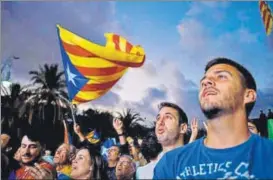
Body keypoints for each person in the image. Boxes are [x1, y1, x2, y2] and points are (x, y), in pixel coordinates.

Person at [154, 57, 273, 179]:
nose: (206, 83)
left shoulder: (269, 155)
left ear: (248, 95)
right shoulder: (170, 165)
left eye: (221, 76)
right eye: (202, 82)